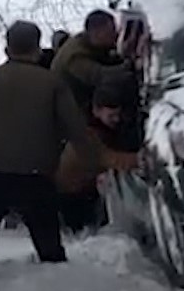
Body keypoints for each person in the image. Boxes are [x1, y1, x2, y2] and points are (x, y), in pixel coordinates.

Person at [0, 21, 103, 280]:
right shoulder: (52, 83)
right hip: (36, 174)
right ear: (36, 48)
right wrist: (93, 163)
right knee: (49, 246)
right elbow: (75, 128)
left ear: (7, 48)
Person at [55, 86, 142, 234]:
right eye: (111, 116)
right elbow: (106, 158)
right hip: (72, 194)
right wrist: (141, 159)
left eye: (118, 115)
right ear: (96, 110)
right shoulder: (87, 134)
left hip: (80, 190)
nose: (117, 119)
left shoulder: (90, 126)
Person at [50, 11, 136, 116]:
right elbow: (102, 77)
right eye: (111, 32)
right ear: (97, 33)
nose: (115, 35)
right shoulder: (75, 57)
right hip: (73, 112)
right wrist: (131, 64)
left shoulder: (87, 40)